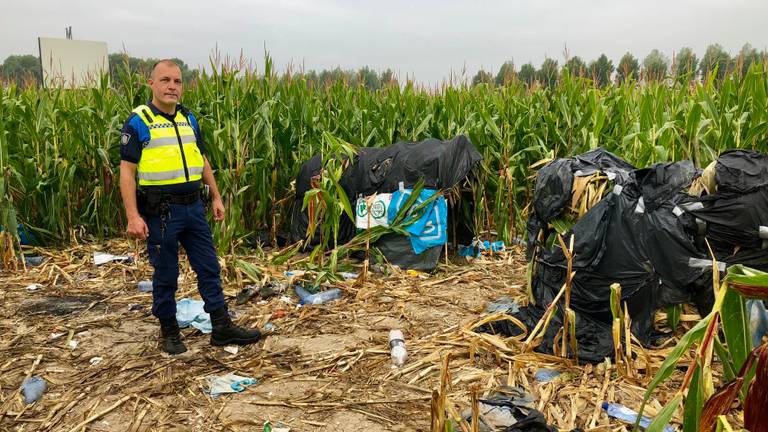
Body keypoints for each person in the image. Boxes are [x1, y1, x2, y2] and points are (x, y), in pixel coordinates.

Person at [119, 59, 261, 355]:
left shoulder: (188, 119)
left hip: (194, 207)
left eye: (177, 81)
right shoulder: (139, 121)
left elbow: (202, 160)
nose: (172, 86)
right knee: (166, 273)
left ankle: (221, 327)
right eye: (165, 80)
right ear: (152, 84)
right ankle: (169, 331)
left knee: (209, 267)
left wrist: (216, 196)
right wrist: (133, 216)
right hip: (161, 212)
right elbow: (127, 172)